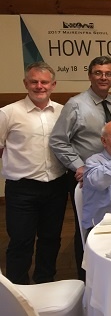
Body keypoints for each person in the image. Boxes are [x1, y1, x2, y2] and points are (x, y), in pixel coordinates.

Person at [50, 55, 111, 280]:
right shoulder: (76, 104)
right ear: (90, 75)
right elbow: (58, 140)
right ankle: (87, 277)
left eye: (108, 74)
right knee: (88, 227)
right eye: (98, 73)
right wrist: (78, 166)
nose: (103, 77)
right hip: (87, 177)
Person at [0, 62, 68, 284]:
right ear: (25, 83)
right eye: (34, 81)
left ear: (53, 84)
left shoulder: (62, 112)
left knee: (51, 240)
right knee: (21, 242)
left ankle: (45, 283)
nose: (39, 86)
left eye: (44, 82)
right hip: (22, 189)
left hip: (56, 186)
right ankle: (18, 292)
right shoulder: (8, 113)